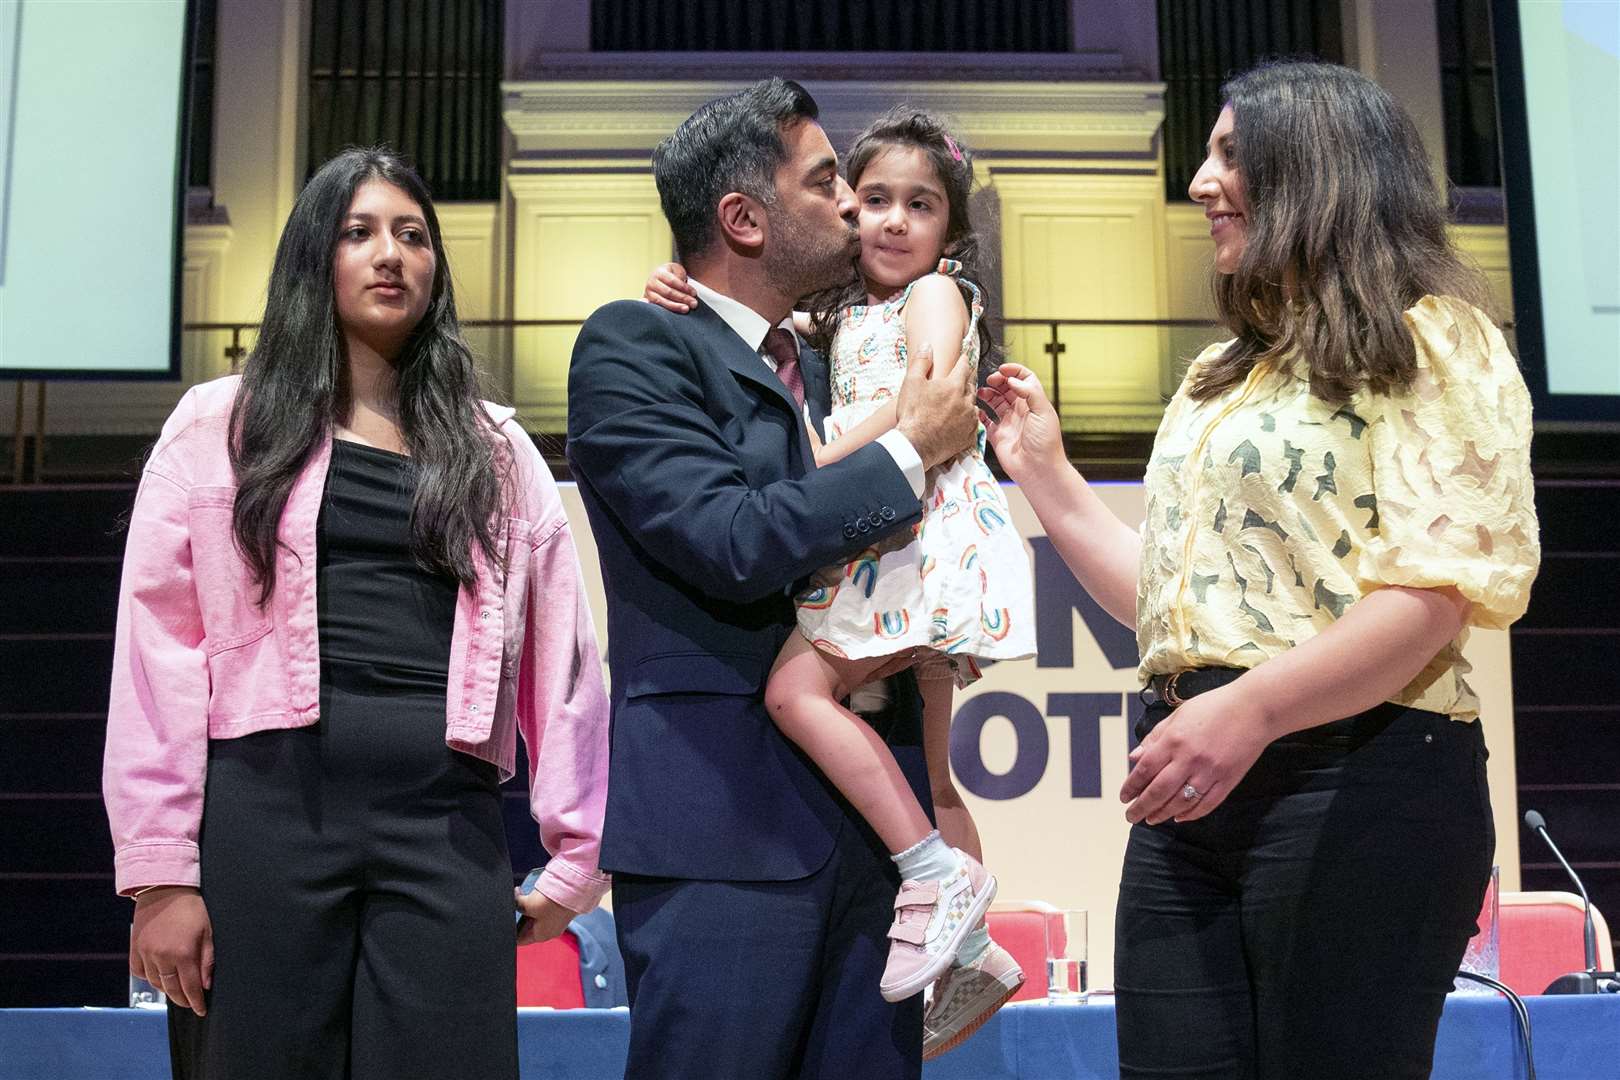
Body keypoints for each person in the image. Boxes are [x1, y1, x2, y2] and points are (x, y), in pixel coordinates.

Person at [979, 61, 1539, 1079]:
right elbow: (1169, 603)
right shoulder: (1219, 372)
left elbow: (1430, 599)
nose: (1199, 182)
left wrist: (1251, 712)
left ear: (1313, 172)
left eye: (1230, 155)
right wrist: (1046, 474)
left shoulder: (1434, 338)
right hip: (1194, 783)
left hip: (1366, 775)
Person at [103, 147, 611, 1079]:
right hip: (266, 813)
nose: (392, 255)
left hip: (446, 822)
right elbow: (158, 652)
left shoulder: (498, 451)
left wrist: (577, 857)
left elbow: (566, 664)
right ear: (314, 257)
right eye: (361, 232)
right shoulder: (217, 427)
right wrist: (162, 877)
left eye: (413, 236)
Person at [566, 79, 981, 1080]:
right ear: (743, 220)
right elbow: (728, 535)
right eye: (826, 180)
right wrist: (906, 455)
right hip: (722, 836)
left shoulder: (843, 354)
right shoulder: (635, 344)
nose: (854, 204)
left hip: (874, 838)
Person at [643, 106, 1034, 1058]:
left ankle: (936, 879)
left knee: (800, 692)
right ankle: (970, 947)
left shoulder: (937, 296)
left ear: (953, 230)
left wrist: (816, 460)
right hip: (877, 541)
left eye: (922, 205)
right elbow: (752, 329)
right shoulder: (834, 317)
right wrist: (676, 285)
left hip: (917, 540)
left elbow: (926, 410)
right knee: (930, 764)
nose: (894, 221)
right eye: (871, 200)